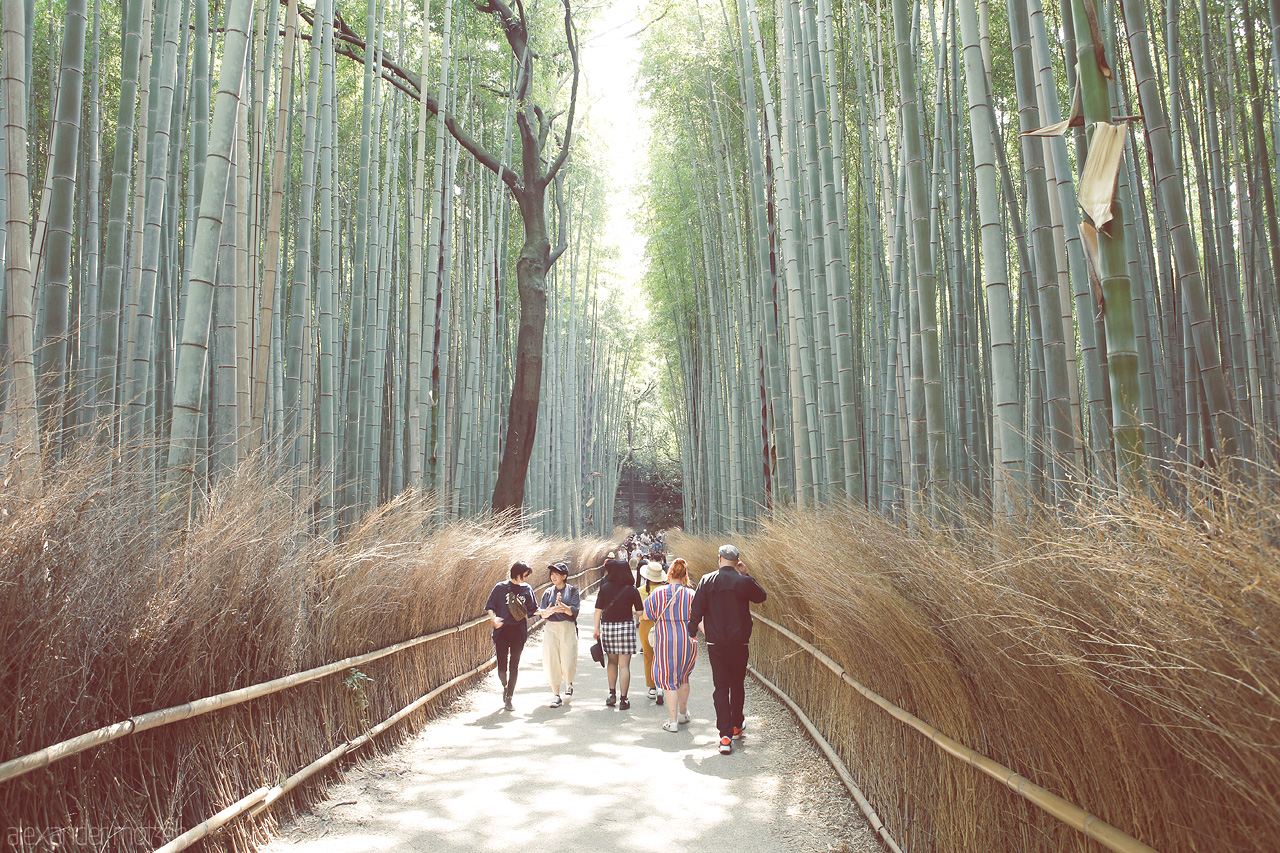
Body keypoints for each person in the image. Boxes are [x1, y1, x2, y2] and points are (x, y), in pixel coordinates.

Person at [688, 544, 767, 755]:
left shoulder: (706, 580)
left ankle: (724, 736)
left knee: (721, 687)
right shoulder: (743, 581)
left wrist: (692, 631)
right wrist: (746, 573)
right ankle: (736, 725)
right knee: (737, 684)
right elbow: (761, 597)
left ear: (719, 559)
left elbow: (697, 608)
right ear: (737, 561)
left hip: (716, 643)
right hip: (739, 642)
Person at [645, 558, 697, 732]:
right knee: (683, 678)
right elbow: (699, 617)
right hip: (687, 639)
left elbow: (646, 615)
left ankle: (672, 721)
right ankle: (683, 714)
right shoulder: (691, 594)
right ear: (685, 576)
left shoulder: (657, 593)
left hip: (666, 640)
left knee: (669, 681)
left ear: (668, 574)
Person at [485, 562, 538, 711]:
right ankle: (505, 686)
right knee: (502, 666)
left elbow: (533, 609)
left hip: (518, 632)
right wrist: (493, 619)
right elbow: (490, 607)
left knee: (514, 665)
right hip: (502, 631)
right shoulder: (500, 588)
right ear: (517, 573)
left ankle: (509, 697)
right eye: (525, 575)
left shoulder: (527, 589)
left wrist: (545, 612)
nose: (527, 578)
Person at [593, 559, 644, 710]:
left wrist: (596, 629)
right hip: (626, 628)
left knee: (612, 662)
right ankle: (624, 699)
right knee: (624, 665)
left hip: (608, 627)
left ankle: (611, 694)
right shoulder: (632, 590)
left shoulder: (605, 588)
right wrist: (633, 612)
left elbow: (598, 610)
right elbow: (640, 613)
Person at [539, 562, 581, 708]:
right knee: (552, 659)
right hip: (551, 628)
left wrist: (563, 607)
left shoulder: (573, 591)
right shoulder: (547, 592)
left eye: (557, 574)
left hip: (567, 627)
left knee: (568, 660)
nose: (553, 577)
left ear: (564, 576)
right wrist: (547, 612)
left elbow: (573, 612)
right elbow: (542, 614)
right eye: (552, 574)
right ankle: (556, 695)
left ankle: (568, 682)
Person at [637, 559, 667, 703]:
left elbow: (636, 612)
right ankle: (662, 684)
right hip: (664, 625)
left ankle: (652, 687)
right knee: (662, 656)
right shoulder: (666, 591)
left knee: (648, 656)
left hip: (646, 625)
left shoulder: (640, 591)